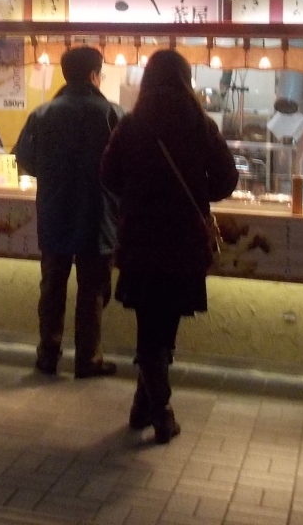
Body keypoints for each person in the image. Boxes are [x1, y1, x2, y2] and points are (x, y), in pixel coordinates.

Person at [101, 49, 237, 443]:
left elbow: (107, 174)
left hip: (141, 238)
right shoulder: (200, 124)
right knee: (165, 327)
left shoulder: (131, 124)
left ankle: (144, 406)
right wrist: (197, 193)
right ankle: (161, 412)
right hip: (182, 241)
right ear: (186, 79)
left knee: (150, 326)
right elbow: (227, 178)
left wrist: (136, 195)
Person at [14, 45, 122, 378]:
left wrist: (52, 175)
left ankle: (48, 354)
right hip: (97, 214)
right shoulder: (112, 113)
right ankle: (88, 358)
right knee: (93, 290)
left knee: (52, 286)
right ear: (94, 75)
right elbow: (126, 165)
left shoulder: (43, 113)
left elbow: (24, 159)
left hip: (54, 211)